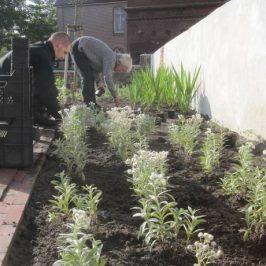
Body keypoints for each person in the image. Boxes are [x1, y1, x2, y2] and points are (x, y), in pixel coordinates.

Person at [0, 32, 72, 126]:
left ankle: (38, 118)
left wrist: (57, 107)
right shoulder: (42, 55)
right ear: (59, 45)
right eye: (65, 52)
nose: (63, 57)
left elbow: (48, 85)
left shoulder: (40, 50)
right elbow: (45, 90)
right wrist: (62, 117)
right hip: (4, 95)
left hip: (6, 90)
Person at [71, 36, 132, 107]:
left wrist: (98, 81)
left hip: (83, 51)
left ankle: (92, 104)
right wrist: (115, 95)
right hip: (79, 47)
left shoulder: (111, 58)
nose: (120, 72)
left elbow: (94, 67)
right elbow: (107, 78)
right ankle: (89, 105)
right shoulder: (111, 59)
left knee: (89, 77)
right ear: (120, 63)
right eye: (123, 70)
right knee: (87, 77)